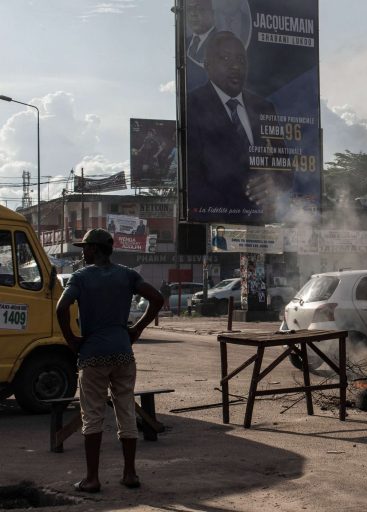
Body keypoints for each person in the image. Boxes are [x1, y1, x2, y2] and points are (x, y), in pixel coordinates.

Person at [55, 228, 164, 494]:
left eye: (85, 248)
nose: (82, 252)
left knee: (92, 416)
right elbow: (157, 299)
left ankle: (92, 479)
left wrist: (72, 340)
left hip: (92, 355)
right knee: (125, 411)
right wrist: (136, 329)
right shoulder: (127, 275)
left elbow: (61, 308)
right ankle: (130, 474)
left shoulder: (80, 278)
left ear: (94, 249)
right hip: (123, 354)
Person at [186, 31, 291, 223]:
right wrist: (239, 205)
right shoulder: (191, 106)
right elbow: (192, 179)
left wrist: (272, 182)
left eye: (241, 60)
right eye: (225, 58)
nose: (235, 66)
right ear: (207, 65)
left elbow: (284, 169)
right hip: (214, 225)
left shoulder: (264, 107)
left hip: (264, 223)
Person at [185, 0, 217, 90]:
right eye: (189, 9)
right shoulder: (184, 43)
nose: (193, 14)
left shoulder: (222, 44)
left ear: (212, 14)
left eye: (200, 9)